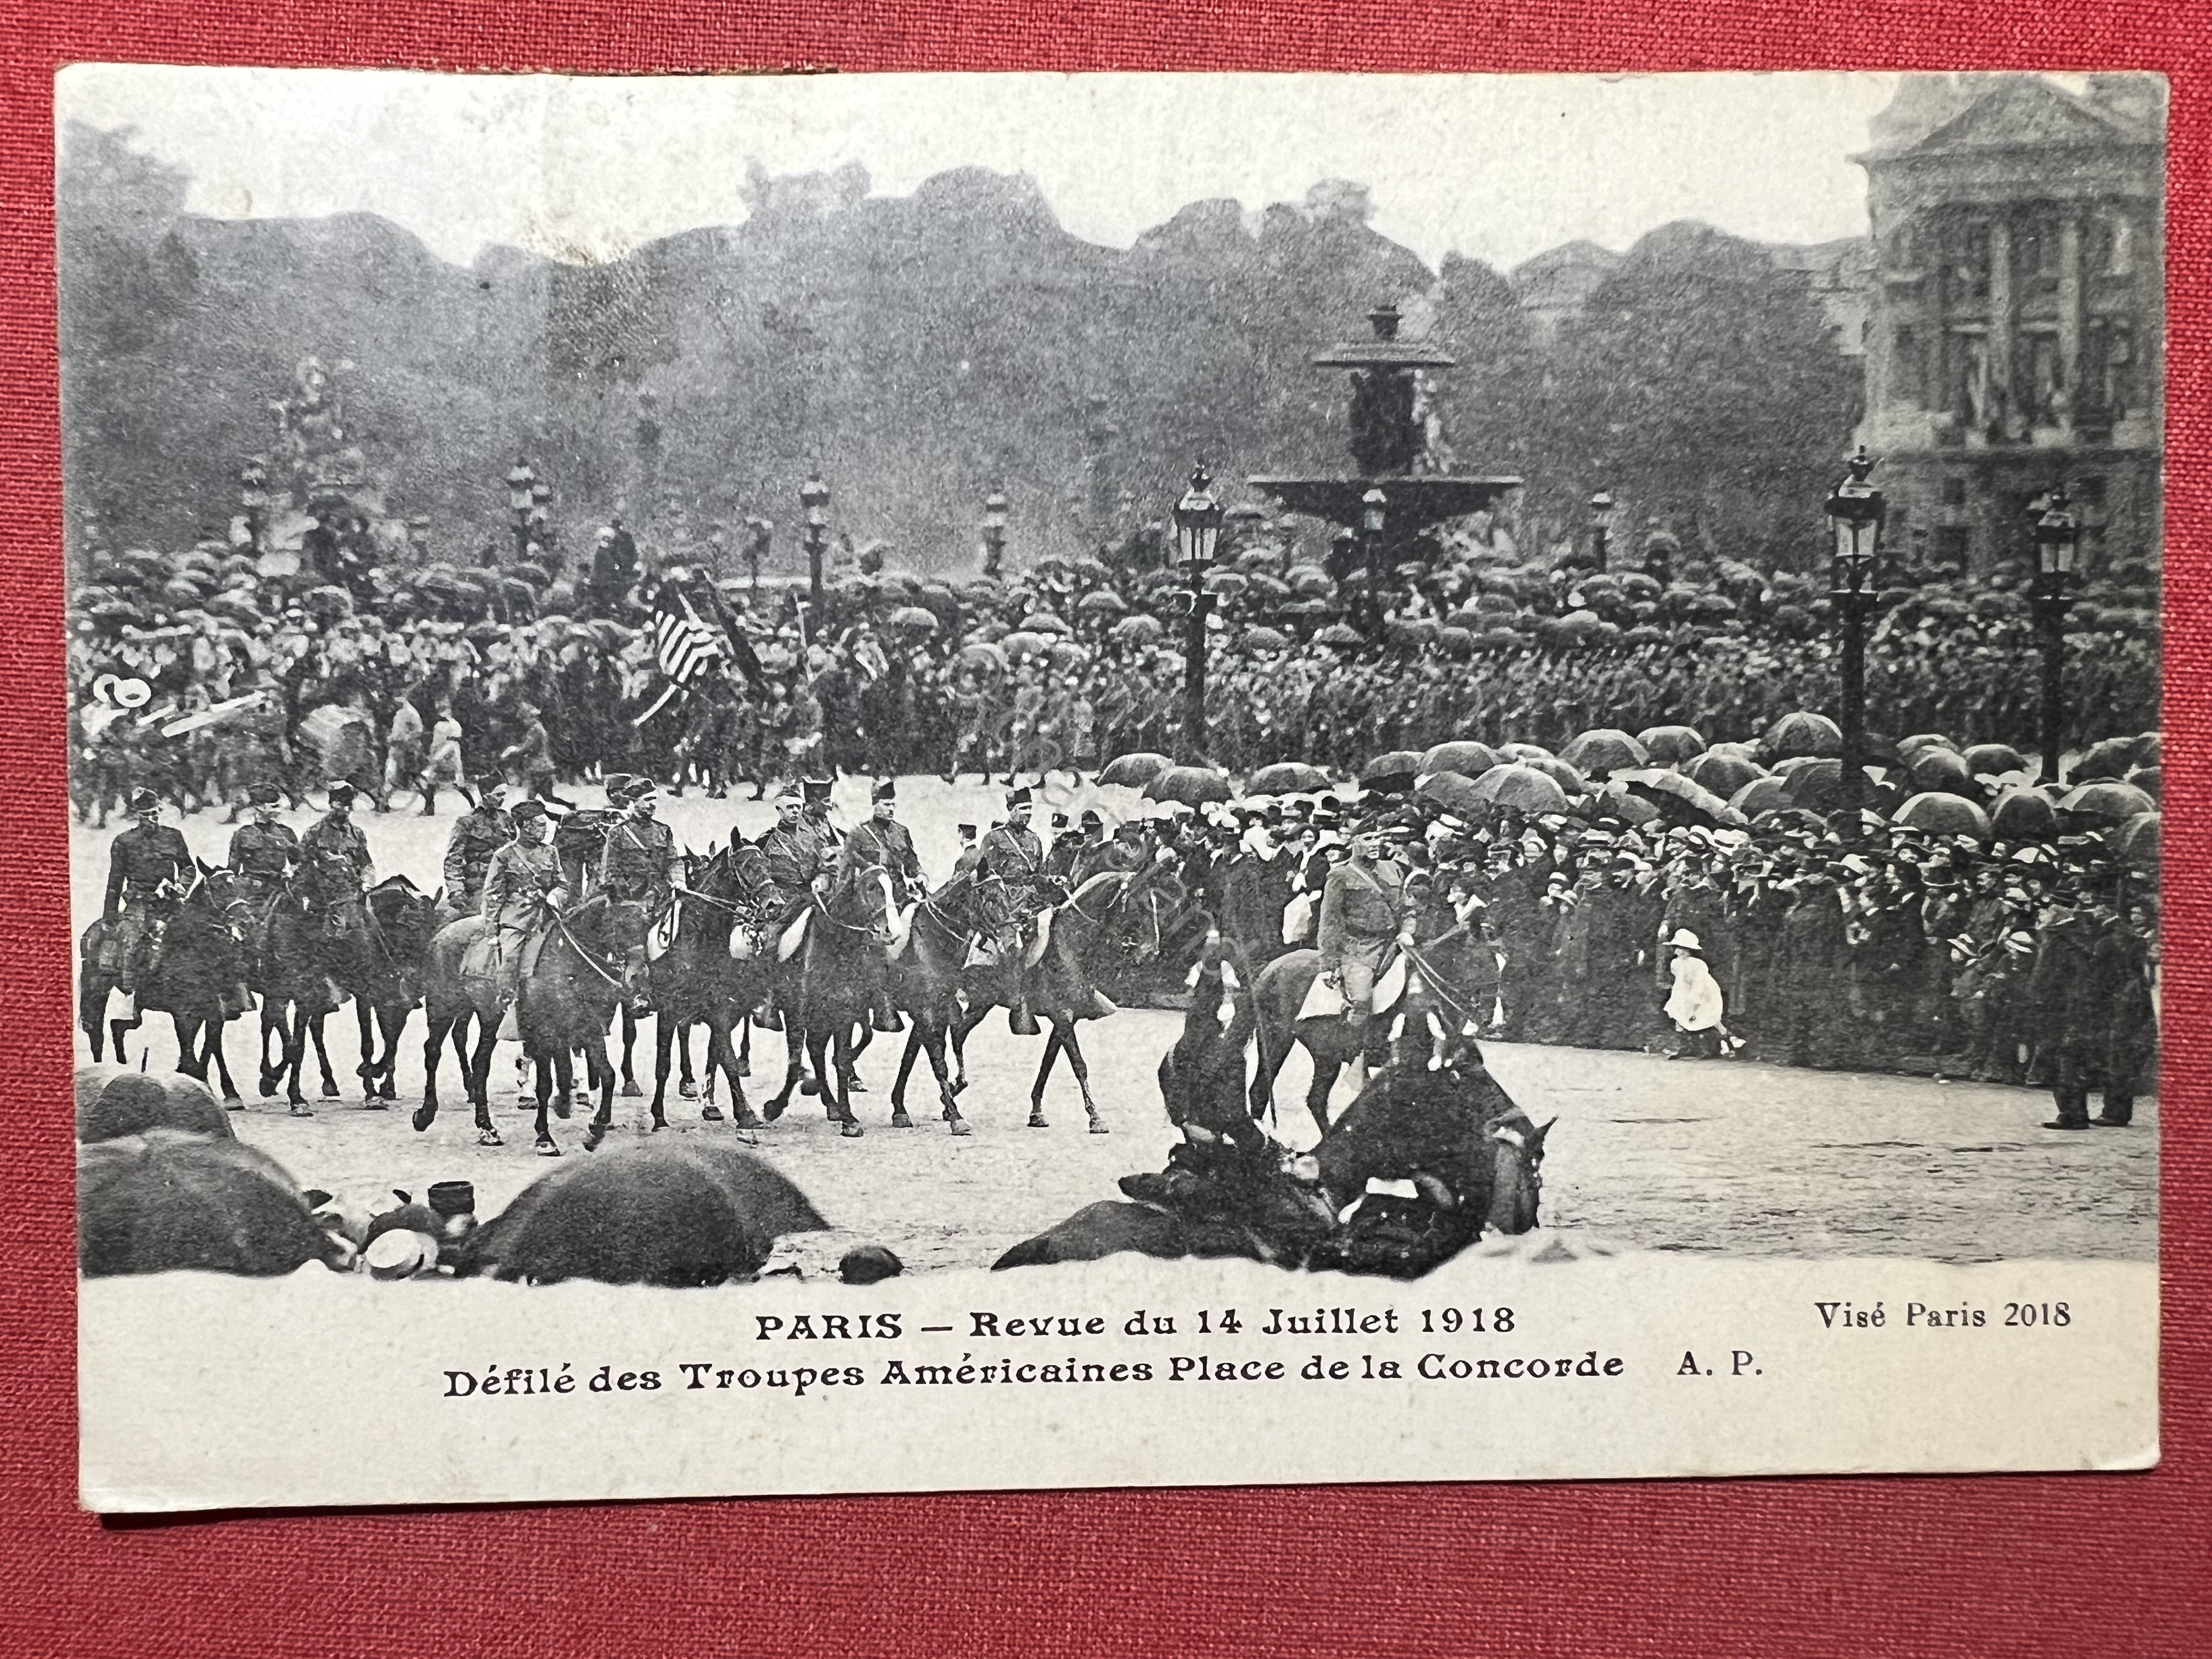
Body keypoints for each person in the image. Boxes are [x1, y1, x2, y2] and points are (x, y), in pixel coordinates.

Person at [1316, 817, 1415, 1072]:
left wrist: (1407, 932)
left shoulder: (1393, 869)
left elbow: (1408, 909)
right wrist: (1329, 964)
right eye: (1368, 838)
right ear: (1353, 842)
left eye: (1378, 838)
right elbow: (1330, 921)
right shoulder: (1340, 875)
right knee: (1361, 1000)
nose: (1376, 844)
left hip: (1394, 945)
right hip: (1358, 948)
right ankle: (1352, 1056)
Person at [837, 778, 926, 1030]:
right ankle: (883, 1003)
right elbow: (847, 871)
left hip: (900, 895)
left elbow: (912, 862)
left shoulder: (901, 831)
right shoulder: (858, 835)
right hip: (873, 899)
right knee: (876, 944)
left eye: (893, 804)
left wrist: (920, 874)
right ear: (874, 804)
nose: (891, 809)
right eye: (886, 804)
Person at [479, 798, 568, 1038]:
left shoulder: (550, 852)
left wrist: (555, 896)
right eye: (540, 824)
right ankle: (508, 1002)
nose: (545, 829)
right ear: (526, 825)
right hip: (516, 920)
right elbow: (493, 894)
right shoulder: (504, 855)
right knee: (510, 958)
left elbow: (562, 884)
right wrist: (492, 930)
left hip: (548, 918)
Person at [99, 785, 193, 1001]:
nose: (151, 819)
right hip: (139, 901)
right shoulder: (124, 842)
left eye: (154, 814)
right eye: (145, 815)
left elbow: (188, 867)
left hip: (169, 900)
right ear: (137, 815)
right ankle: (130, 994)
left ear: (159, 811)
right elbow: (116, 880)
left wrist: (182, 885)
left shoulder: (173, 837)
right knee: (131, 940)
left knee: (196, 932)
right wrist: (110, 914)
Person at [597, 776, 681, 1009]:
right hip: (631, 903)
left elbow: (674, 861)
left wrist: (678, 880)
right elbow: (609, 872)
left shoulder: (663, 831)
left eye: (654, 800)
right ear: (633, 803)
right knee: (637, 948)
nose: (653, 805)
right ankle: (638, 995)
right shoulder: (618, 833)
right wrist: (628, 897)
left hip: (662, 898)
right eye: (647, 800)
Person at [978, 786, 1057, 1033]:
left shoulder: (1035, 839)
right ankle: (1017, 1003)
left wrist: (1051, 883)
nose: (1028, 814)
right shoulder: (994, 838)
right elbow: (985, 875)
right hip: (1006, 902)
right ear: (1011, 810)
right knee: (1014, 948)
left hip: (1031, 899)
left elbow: (1039, 873)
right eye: (1023, 809)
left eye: (1030, 809)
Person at [442, 777, 514, 919]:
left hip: (506, 885)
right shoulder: (467, 823)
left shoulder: (506, 820)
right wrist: (456, 891)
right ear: (486, 795)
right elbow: (453, 861)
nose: (502, 800)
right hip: (478, 887)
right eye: (498, 795)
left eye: (503, 796)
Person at [225, 782, 299, 910]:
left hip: (280, 889)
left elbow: (298, 861)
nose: (277, 810)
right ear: (259, 807)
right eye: (273, 806)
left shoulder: (286, 833)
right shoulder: (243, 834)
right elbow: (233, 866)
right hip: (253, 891)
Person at [1662, 929, 1730, 1059]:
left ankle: (1721, 1046)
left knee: (1708, 1018)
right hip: (1685, 991)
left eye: (1682, 948)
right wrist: (1679, 997)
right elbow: (1680, 981)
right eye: (1676, 948)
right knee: (1680, 1017)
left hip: (1704, 993)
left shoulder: (1698, 964)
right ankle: (1686, 1046)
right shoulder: (1676, 963)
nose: (1678, 951)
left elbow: (1701, 983)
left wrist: (1694, 999)